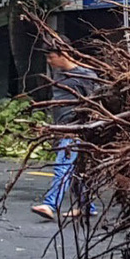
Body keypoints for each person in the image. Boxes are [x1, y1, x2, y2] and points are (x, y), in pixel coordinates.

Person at [32, 42, 100, 222]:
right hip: (62, 129)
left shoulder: (86, 76)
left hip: (76, 130)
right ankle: (86, 206)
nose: (48, 61)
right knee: (77, 169)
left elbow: (98, 102)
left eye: (51, 56)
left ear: (64, 54)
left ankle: (50, 204)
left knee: (63, 165)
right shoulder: (59, 75)